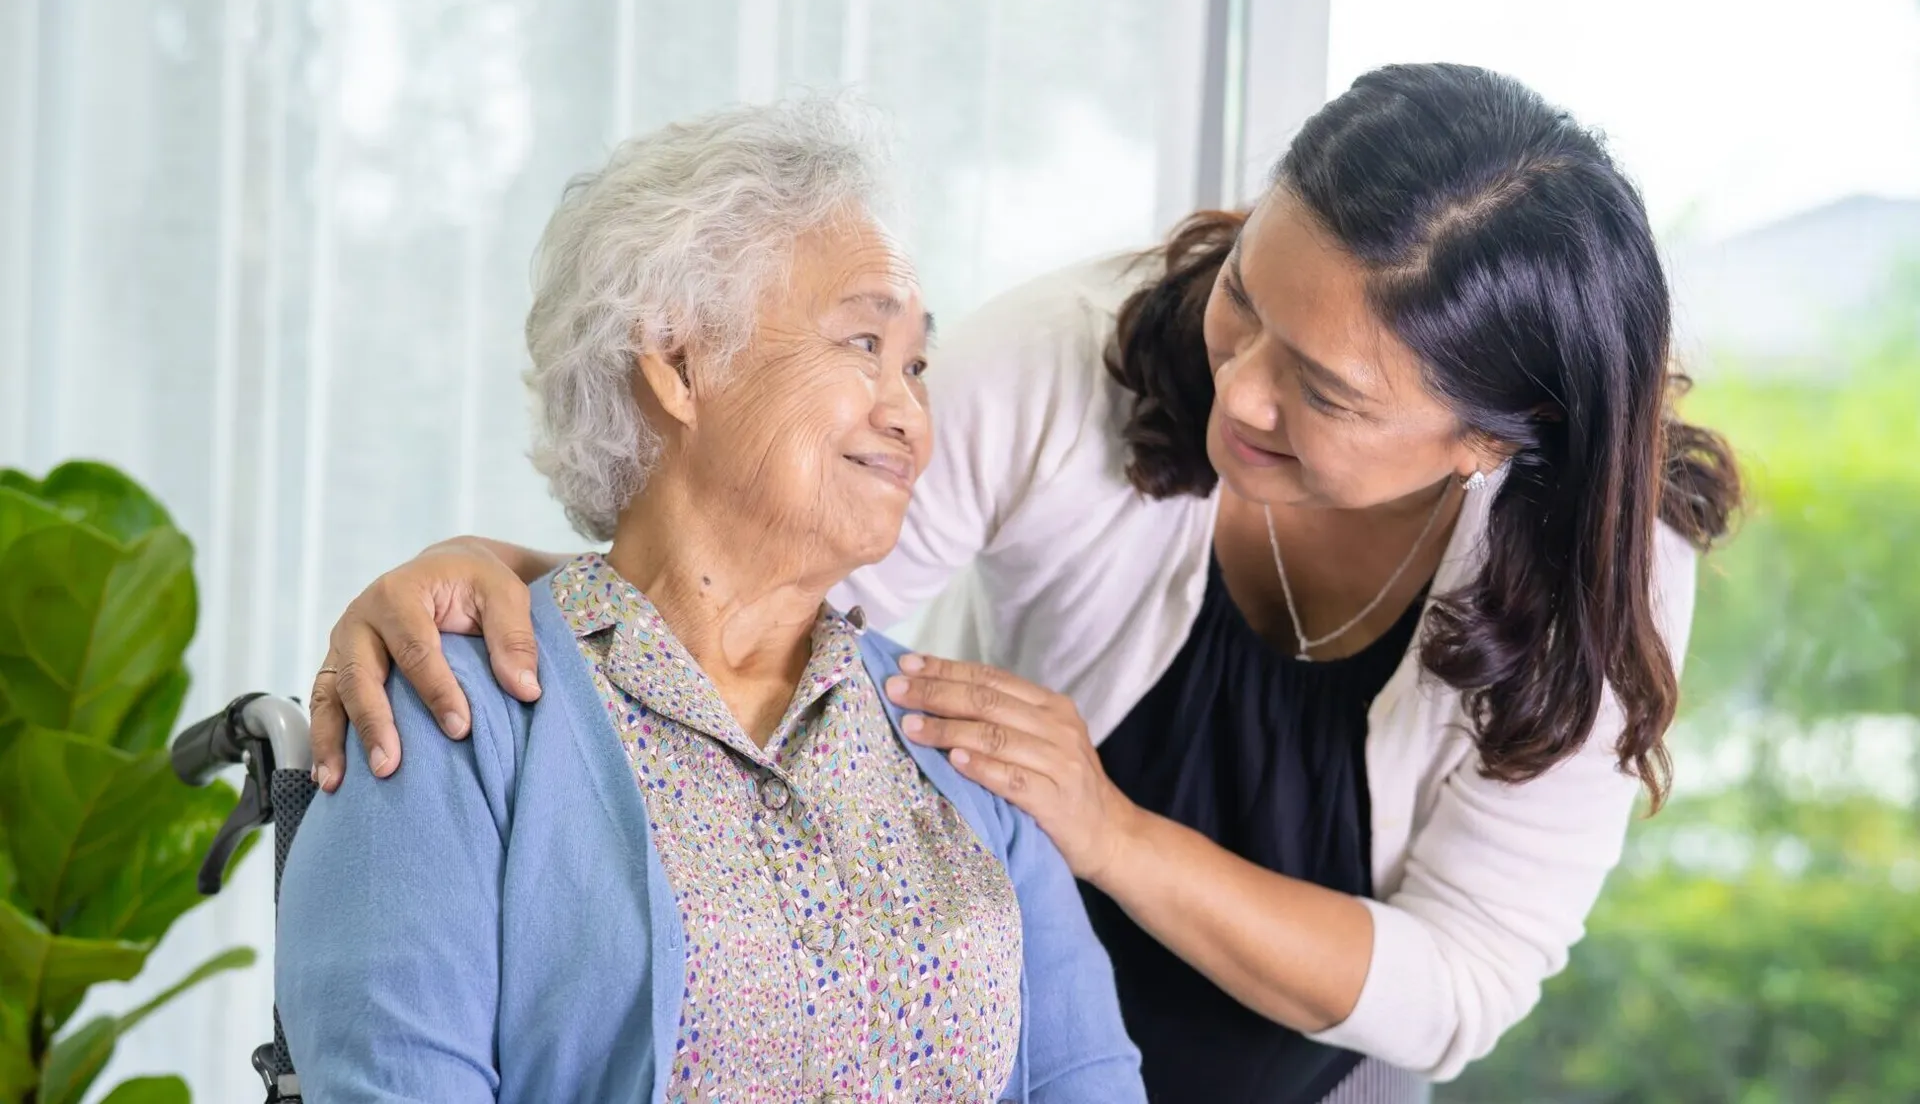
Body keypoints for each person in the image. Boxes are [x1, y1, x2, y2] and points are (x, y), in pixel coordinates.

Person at [305, 65, 1740, 1104]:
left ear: (1489, 442)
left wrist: (1104, 829)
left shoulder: (1595, 565)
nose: (1235, 389)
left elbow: (1461, 983)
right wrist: (489, 575)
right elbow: (761, 592)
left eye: (1324, 390)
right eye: (1243, 295)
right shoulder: (1075, 361)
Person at [275, 97, 1145, 1104]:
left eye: (914, 363)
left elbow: (1089, 1081)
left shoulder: (960, 742)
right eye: (864, 343)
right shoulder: (450, 717)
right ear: (680, 363)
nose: (909, 411)